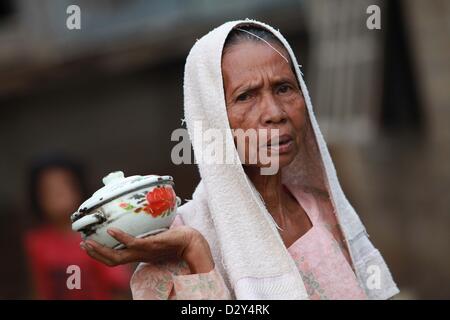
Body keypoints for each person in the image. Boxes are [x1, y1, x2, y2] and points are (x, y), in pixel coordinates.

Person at [81, 20, 399, 300]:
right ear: (211, 118)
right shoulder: (173, 240)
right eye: (245, 96)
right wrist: (195, 252)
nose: (275, 113)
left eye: (284, 88)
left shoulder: (325, 212)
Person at [24, 155, 131, 299]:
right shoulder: (36, 242)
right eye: (48, 189)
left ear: (78, 188)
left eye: (64, 186)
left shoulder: (99, 232)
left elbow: (119, 287)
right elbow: (41, 289)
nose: (57, 194)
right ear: (37, 197)